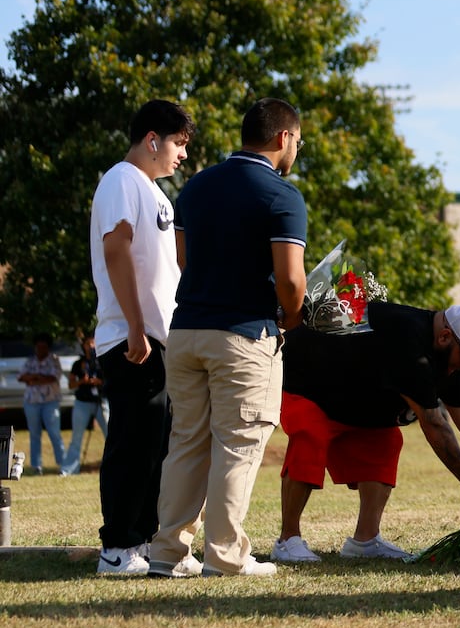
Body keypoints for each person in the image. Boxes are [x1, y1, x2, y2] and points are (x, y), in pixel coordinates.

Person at [147, 98, 307, 579]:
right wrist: (292, 317)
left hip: (186, 332)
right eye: (297, 141)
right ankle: (226, 556)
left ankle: (168, 554)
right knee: (238, 444)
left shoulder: (194, 186)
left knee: (186, 444)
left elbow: (182, 261)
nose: (296, 149)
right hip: (243, 336)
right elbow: (292, 281)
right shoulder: (282, 196)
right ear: (283, 138)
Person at [271, 302, 460, 562]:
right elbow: (434, 424)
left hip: (356, 393)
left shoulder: (449, 356)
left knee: (385, 442)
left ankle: (365, 540)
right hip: (308, 380)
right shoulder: (409, 340)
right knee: (310, 436)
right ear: (445, 337)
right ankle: (288, 539)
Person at [90, 99, 194, 576]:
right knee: (132, 444)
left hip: (160, 343)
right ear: (153, 139)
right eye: (178, 144)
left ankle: (147, 543)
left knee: (158, 448)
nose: (183, 156)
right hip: (131, 339)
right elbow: (116, 248)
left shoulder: (158, 194)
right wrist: (134, 326)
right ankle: (118, 547)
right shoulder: (120, 180)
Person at [18, 334, 67, 475]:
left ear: (48, 348)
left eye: (43, 347)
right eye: (38, 347)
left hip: (50, 402)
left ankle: (62, 465)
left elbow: (52, 377)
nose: (40, 349)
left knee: (54, 433)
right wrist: (38, 378)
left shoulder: (54, 360)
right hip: (31, 402)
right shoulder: (30, 361)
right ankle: (36, 466)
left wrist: (33, 378)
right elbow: (21, 377)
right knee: (34, 434)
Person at [62, 333, 108, 476]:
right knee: (76, 436)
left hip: (101, 401)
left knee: (111, 434)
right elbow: (71, 384)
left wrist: (99, 382)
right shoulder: (78, 363)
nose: (91, 346)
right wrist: (82, 381)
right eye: (88, 344)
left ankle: (115, 467)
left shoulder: (103, 361)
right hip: (83, 402)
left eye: (93, 343)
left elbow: (111, 380)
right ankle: (69, 469)